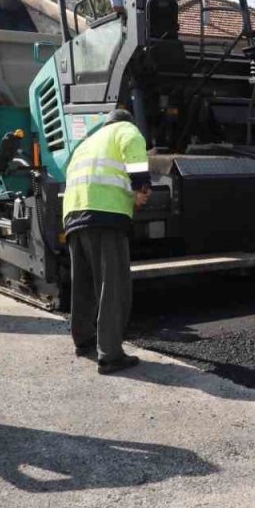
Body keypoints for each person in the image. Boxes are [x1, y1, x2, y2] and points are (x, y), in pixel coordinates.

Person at [63, 108, 152, 375]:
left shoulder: (86, 143)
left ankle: (84, 340)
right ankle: (111, 355)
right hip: (106, 215)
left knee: (84, 284)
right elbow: (133, 150)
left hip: (74, 216)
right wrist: (141, 188)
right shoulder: (126, 130)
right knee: (112, 285)